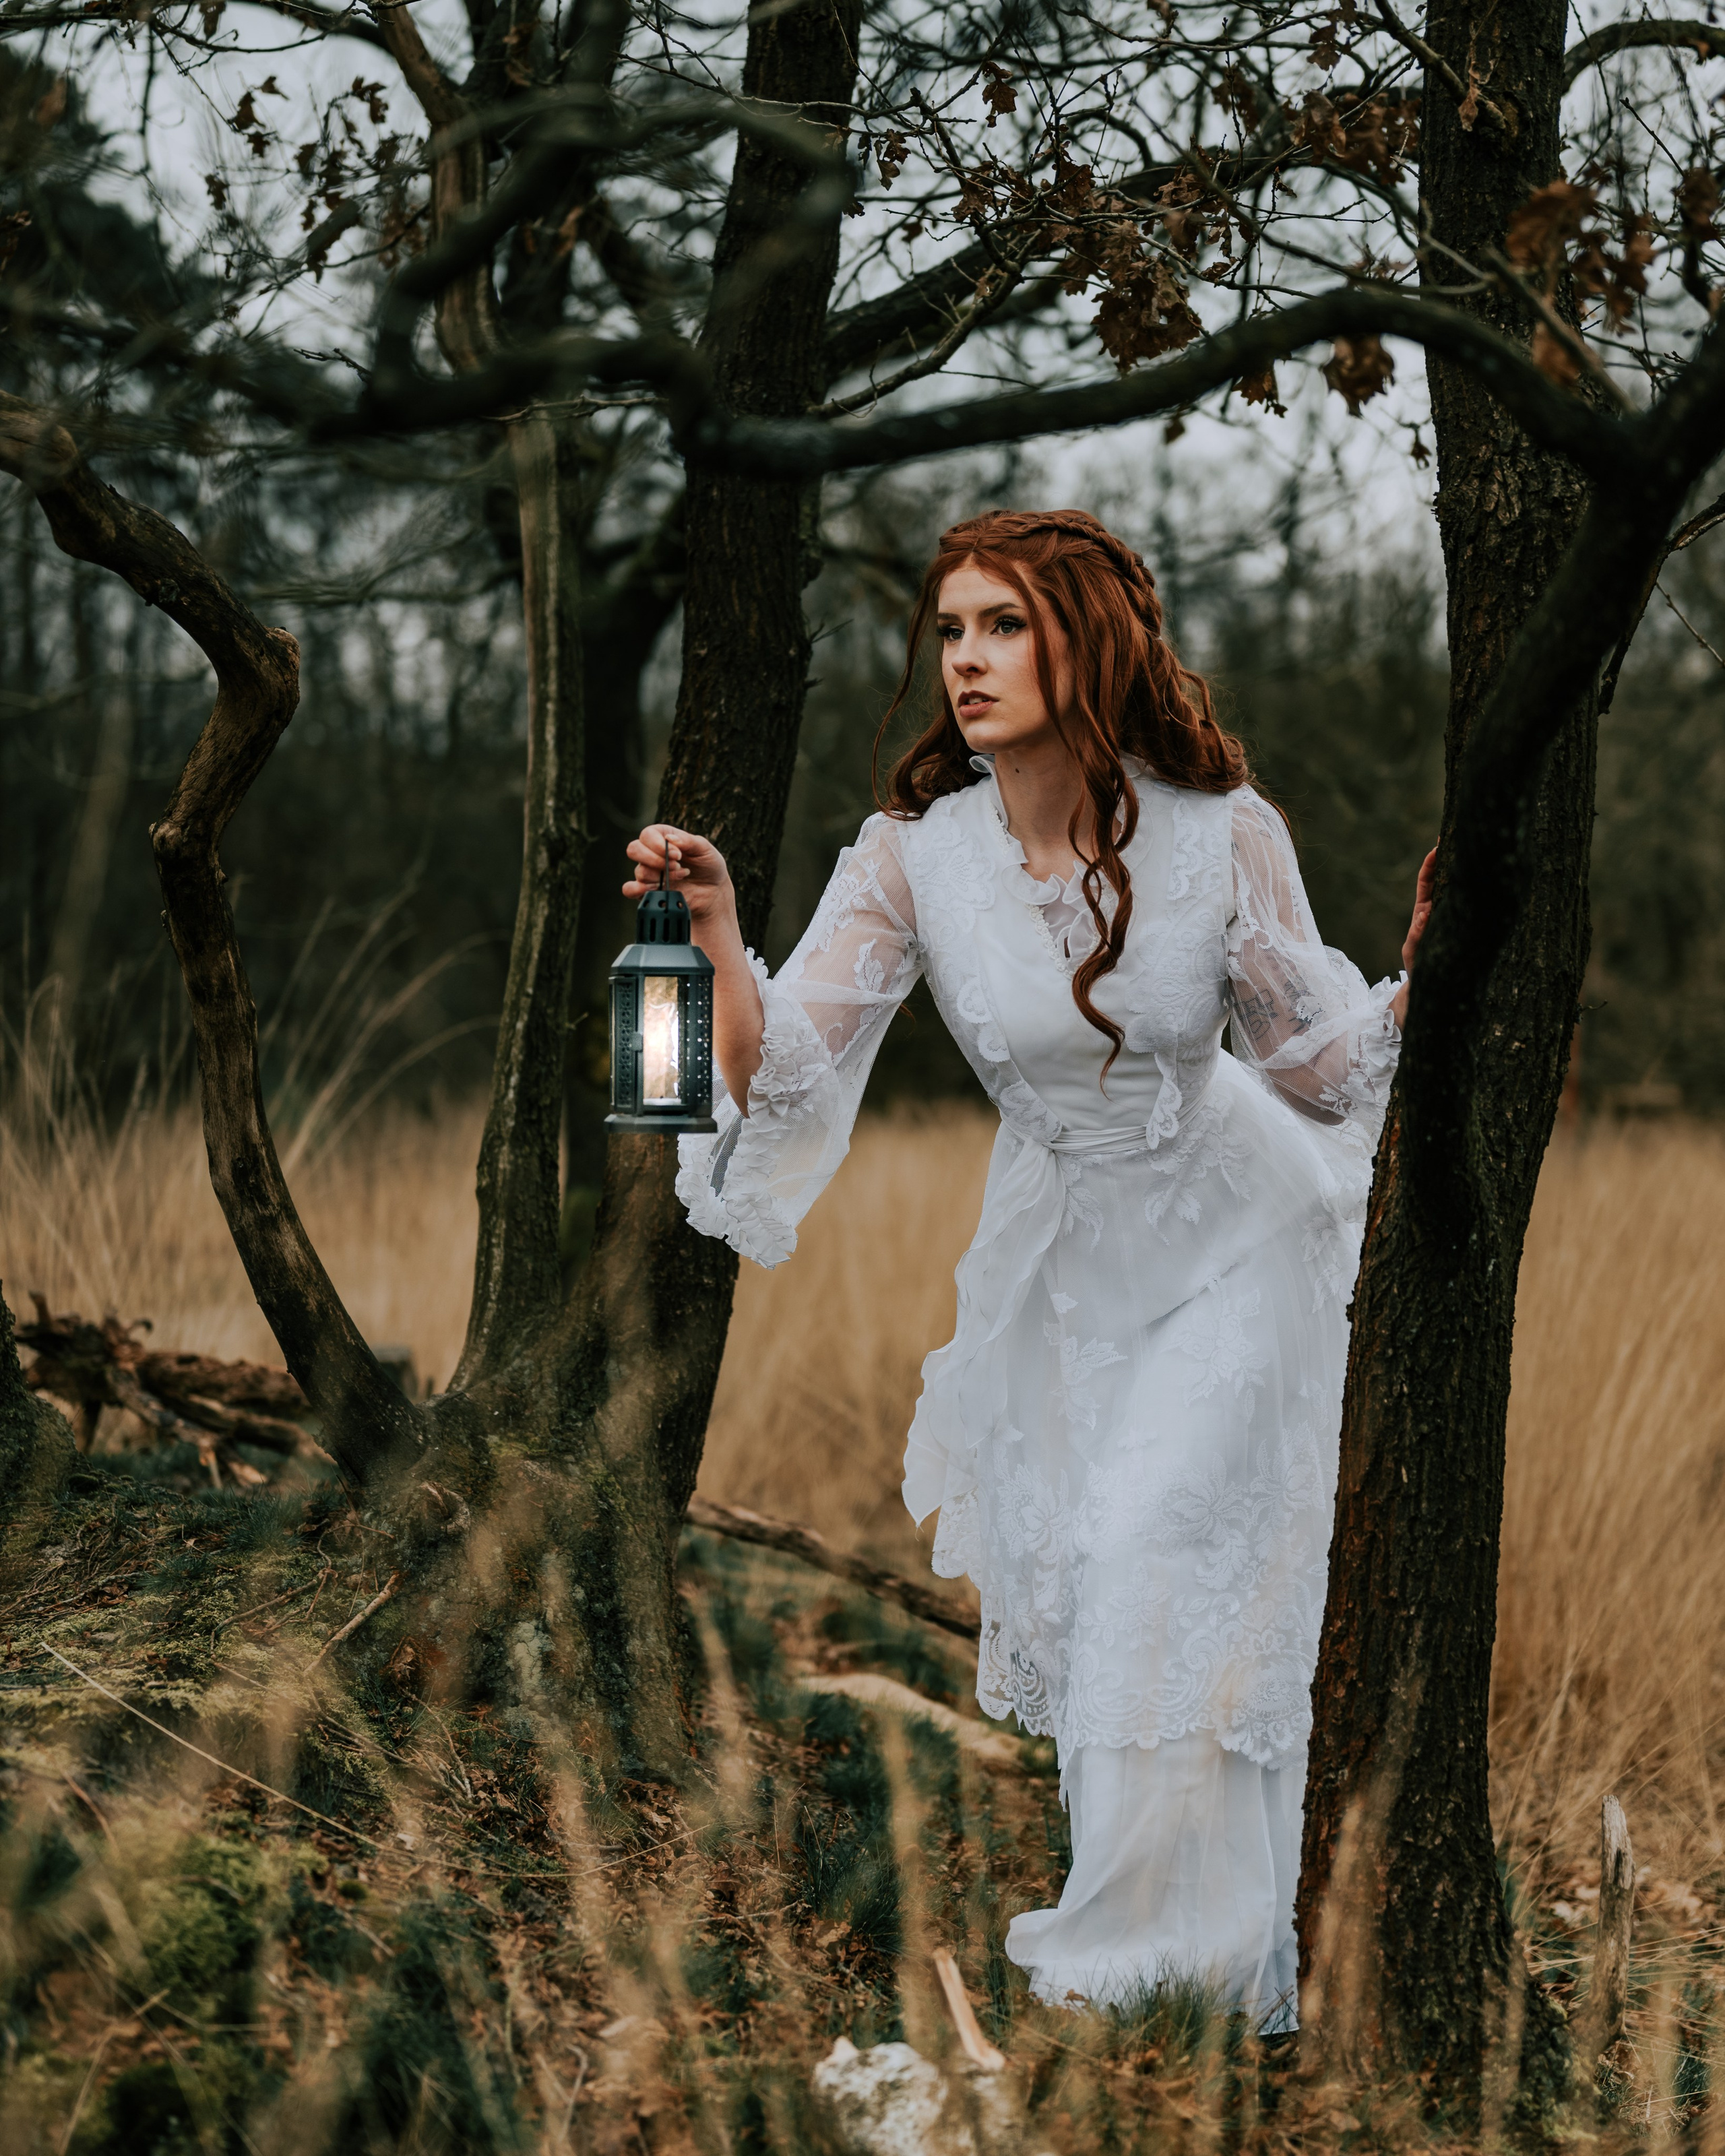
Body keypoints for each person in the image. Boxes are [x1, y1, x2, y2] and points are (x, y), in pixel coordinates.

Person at [624, 508, 1436, 2028]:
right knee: (1112, 1592)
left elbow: (1316, 1072)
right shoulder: (914, 859)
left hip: (1239, 1243)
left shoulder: (1221, 832)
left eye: (1005, 625)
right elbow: (783, 1071)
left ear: (1090, 642)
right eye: (950, 630)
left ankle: (1140, 1979)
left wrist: (1422, 975)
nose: (969, 659)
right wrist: (718, 935)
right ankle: (1217, 1984)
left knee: (1151, 1548)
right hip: (1064, 1272)